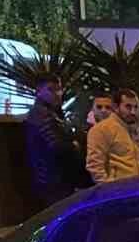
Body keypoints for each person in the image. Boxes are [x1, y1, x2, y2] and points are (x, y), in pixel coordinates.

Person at [24, 75, 90, 205]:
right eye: (51, 89)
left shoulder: (49, 113)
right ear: (39, 91)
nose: (57, 94)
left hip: (55, 179)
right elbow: (56, 146)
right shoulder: (41, 114)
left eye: (59, 89)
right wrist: (74, 145)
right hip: (53, 179)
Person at [86, 89, 139, 182]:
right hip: (119, 191)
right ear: (116, 107)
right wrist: (110, 191)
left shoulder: (138, 133)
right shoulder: (101, 130)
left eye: (136, 107)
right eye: (128, 107)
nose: (133, 112)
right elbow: (95, 167)